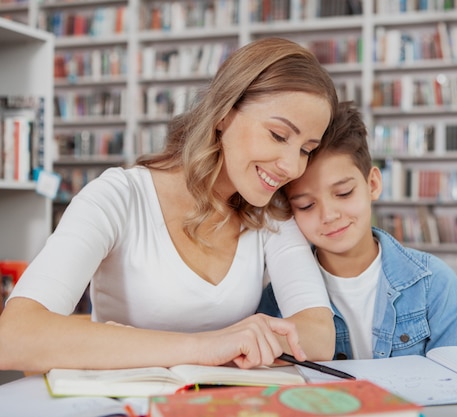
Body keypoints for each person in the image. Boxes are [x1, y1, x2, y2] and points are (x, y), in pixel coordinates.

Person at [0, 37, 339, 373]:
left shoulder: (271, 214)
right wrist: (206, 347)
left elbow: (319, 335)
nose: (293, 167)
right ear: (222, 113)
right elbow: (13, 337)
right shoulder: (118, 196)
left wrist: (250, 341)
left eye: (306, 149)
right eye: (279, 136)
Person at [258, 101, 457, 359]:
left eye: (343, 193)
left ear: (372, 184)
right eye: (306, 205)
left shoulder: (434, 284)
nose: (328, 215)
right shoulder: (279, 299)